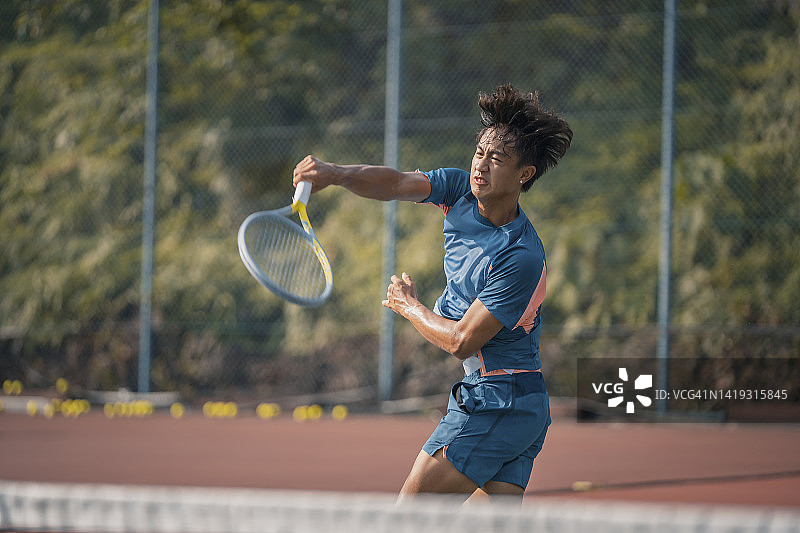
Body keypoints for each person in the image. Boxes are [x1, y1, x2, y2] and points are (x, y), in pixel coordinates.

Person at [293, 83, 573, 502]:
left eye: (497, 159)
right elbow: (395, 183)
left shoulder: (521, 255)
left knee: (411, 515)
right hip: (517, 404)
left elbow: (461, 341)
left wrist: (408, 306)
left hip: (499, 399)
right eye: (480, 152)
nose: (481, 165)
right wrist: (335, 174)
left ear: (524, 174)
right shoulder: (458, 190)